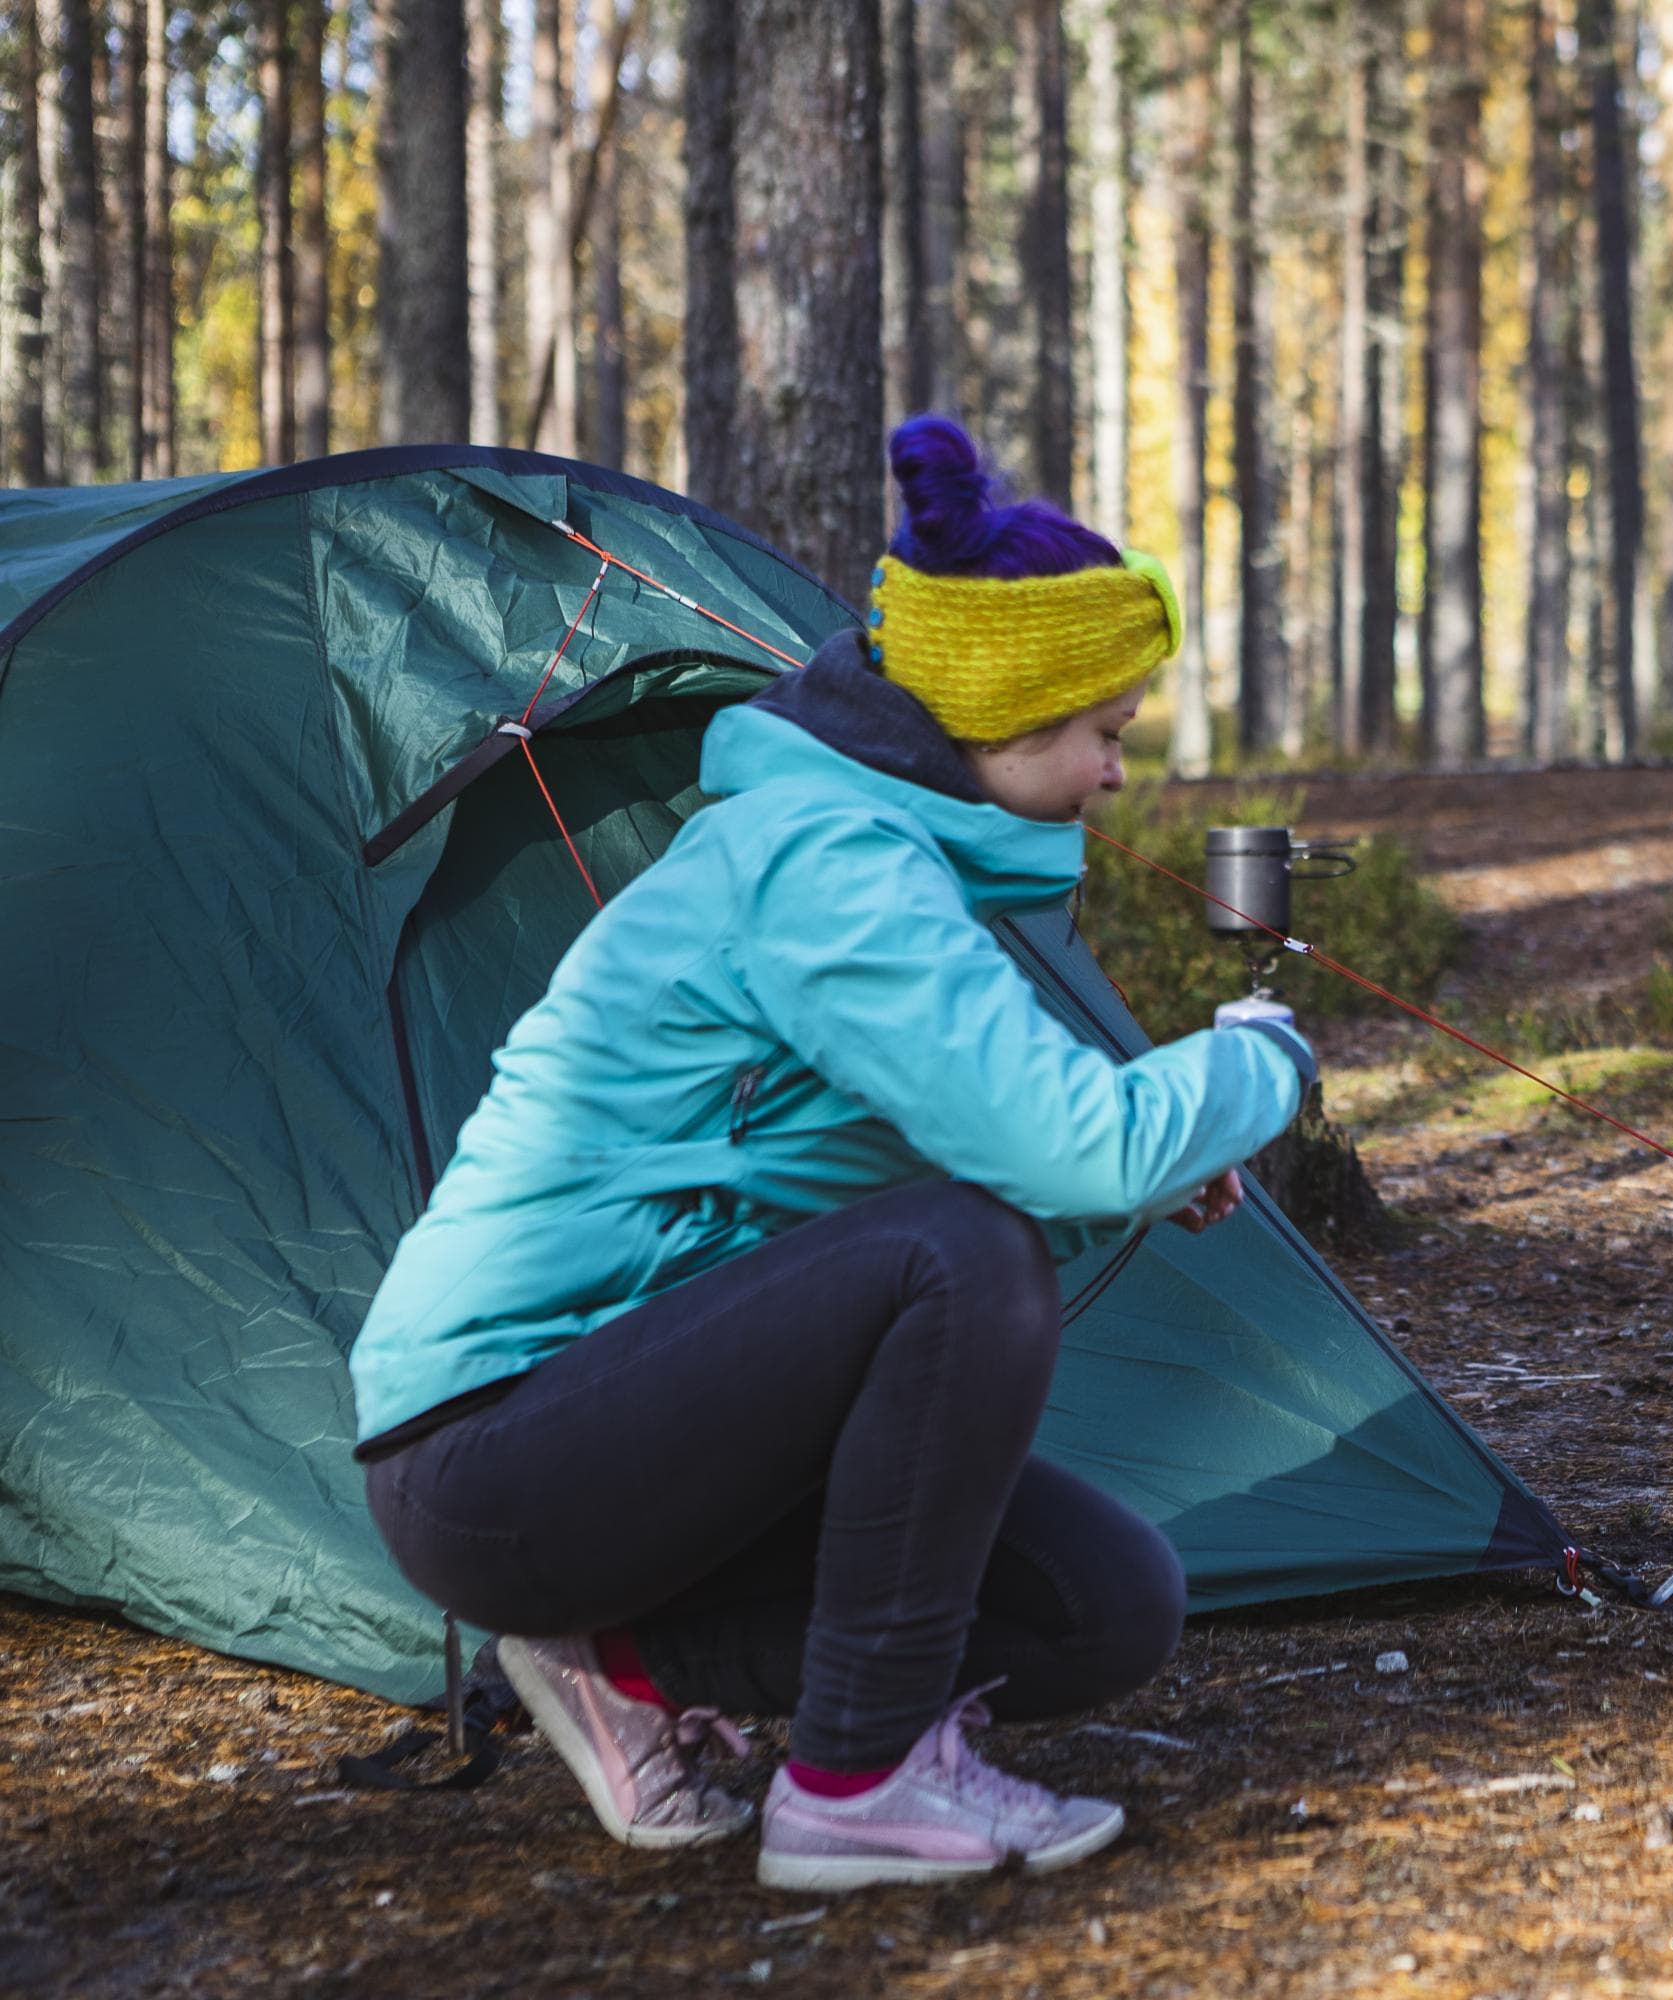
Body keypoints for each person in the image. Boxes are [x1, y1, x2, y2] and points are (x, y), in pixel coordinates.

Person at [347, 415, 1315, 1891]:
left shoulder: (870, 856)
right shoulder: (829, 862)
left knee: (1107, 1604)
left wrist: (1144, 1168)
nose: (1118, 778)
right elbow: (1056, 1163)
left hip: (635, 1435)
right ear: (1008, 717)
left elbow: (880, 1189)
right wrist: (1264, 1061)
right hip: (493, 1449)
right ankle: (856, 1784)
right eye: (1107, 734)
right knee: (963, 1253)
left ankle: (625, 1663)